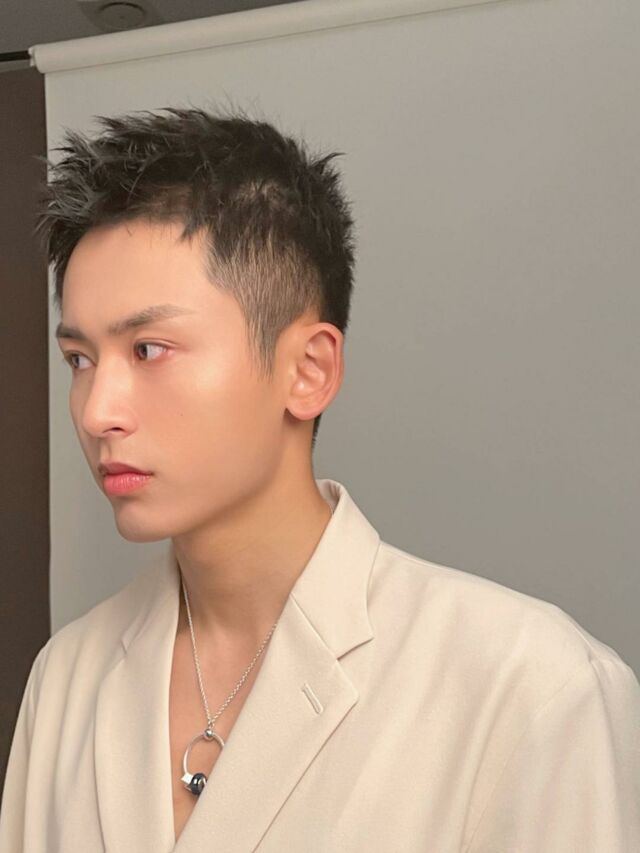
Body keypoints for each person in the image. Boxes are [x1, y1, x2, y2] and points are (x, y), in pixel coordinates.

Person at [0, 105, 638, 853]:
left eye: (148, 349)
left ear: (309, 371)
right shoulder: (67, 680)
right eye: (79, 359)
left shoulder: (531, 688)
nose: (96, 411)